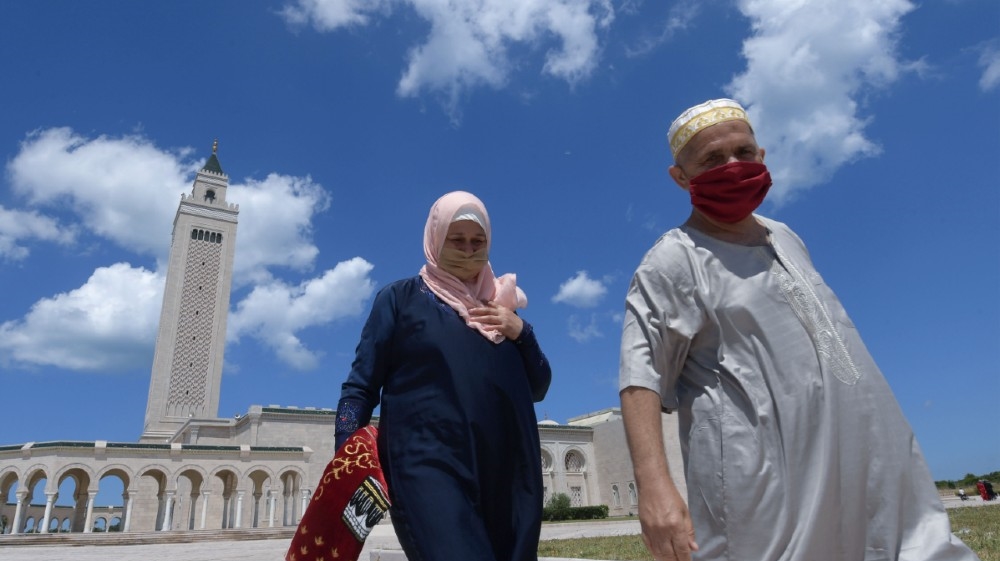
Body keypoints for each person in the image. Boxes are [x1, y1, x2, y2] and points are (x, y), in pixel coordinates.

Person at [618, 98, 980, 561]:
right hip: (761, 477)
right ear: (681, 177)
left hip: (858, 453)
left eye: (743, 152)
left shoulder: (785, 236)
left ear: (762, 157)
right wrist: (654, 488)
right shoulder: (672, 259)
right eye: (711, 159)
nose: (732, 166)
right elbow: (639, 373)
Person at [334, 191, 552, 561]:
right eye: (457, 240)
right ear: (436, 240)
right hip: (429, 467)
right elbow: (360, 386)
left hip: (508, 475)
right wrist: (346, 458)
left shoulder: (501, 311)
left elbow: (539, 386)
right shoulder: (400, 300)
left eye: (477, 242)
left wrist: (521, 332)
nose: (468, 250)